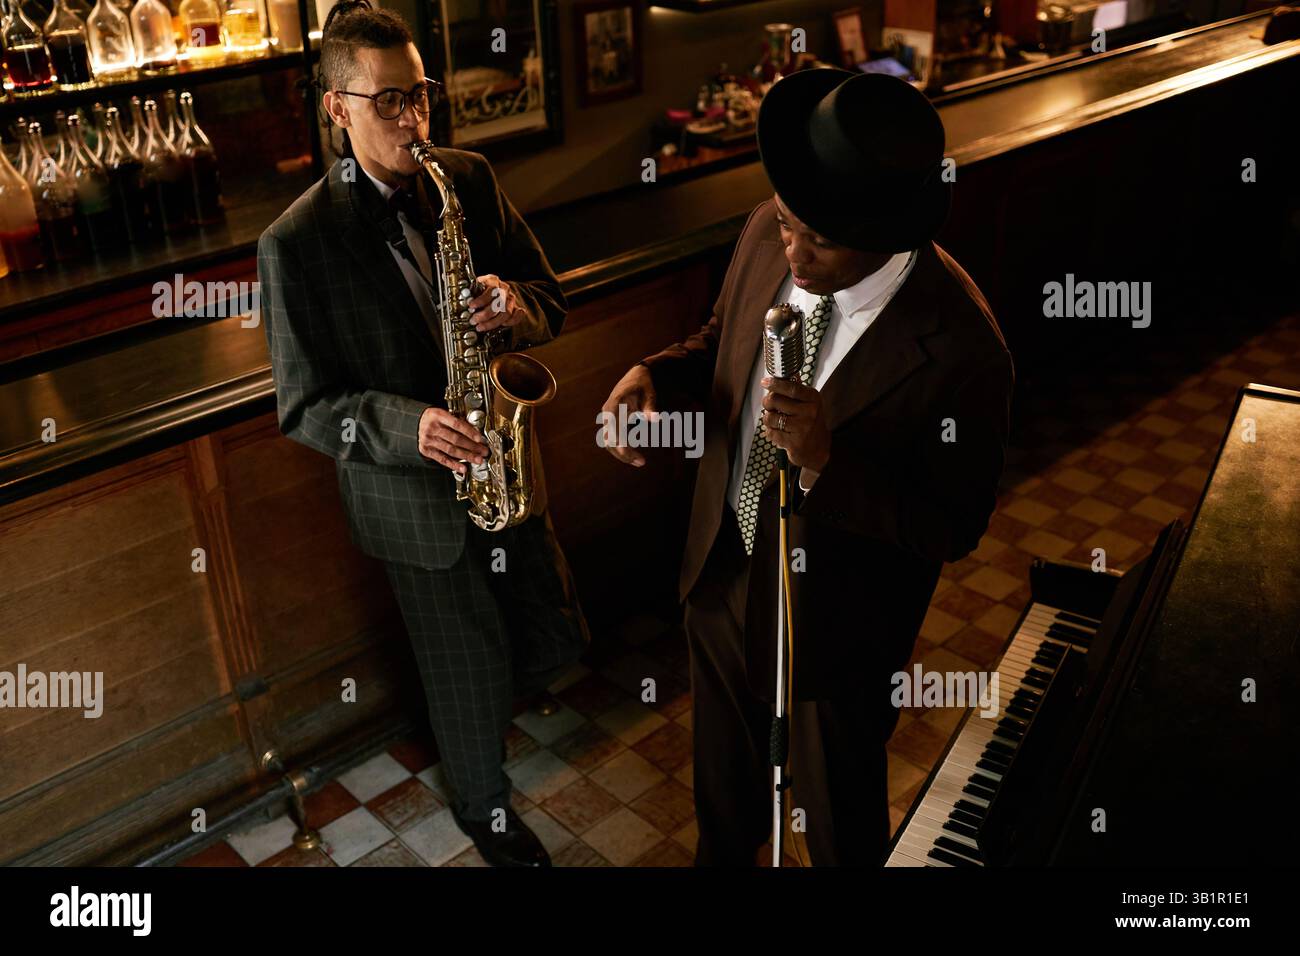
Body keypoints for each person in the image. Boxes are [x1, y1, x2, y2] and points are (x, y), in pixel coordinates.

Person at [602, 70, 1014, 865]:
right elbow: (720, 335)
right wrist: (657, 371)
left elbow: (951, 525)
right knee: (725, 812)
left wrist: (828, 460)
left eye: (818, 241)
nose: (791, 251)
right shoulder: (768, 227)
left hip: (838, 631)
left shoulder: (966, 351)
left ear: (887, 231)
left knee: (836, 829)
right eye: (787, 225)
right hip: (722, 570)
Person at [257, 0, 588, 867]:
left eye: (421, 95)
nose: (413, 119)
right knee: (463, 663)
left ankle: (500, 724)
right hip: (410, 498)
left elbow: (550, 294)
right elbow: (303, 407)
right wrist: (410, 427)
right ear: (338, 108)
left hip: (504, 462)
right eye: (388, 101)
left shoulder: (467, 179)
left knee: (547, 626)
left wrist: (515, 307)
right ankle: (484, 809)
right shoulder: (292, 245)